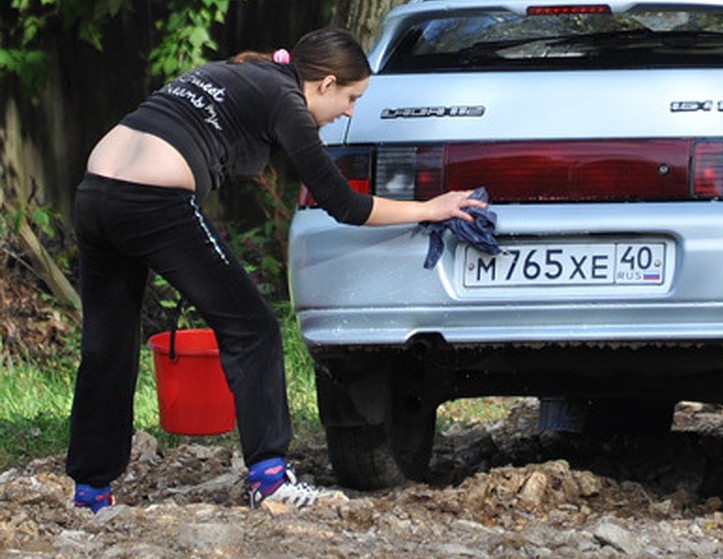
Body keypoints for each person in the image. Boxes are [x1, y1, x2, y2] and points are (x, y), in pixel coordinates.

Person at [66, 28, 483, 513]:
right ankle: (269, 478)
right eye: (351, 98)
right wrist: (429, 209)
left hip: (96, 193)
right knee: (254, 330)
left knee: (106, 346)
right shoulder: (287, 101)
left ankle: (91, 490)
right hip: (155, 201)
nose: (349, 112)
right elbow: (343, 204)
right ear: (325, 84)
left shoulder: (247, 72)